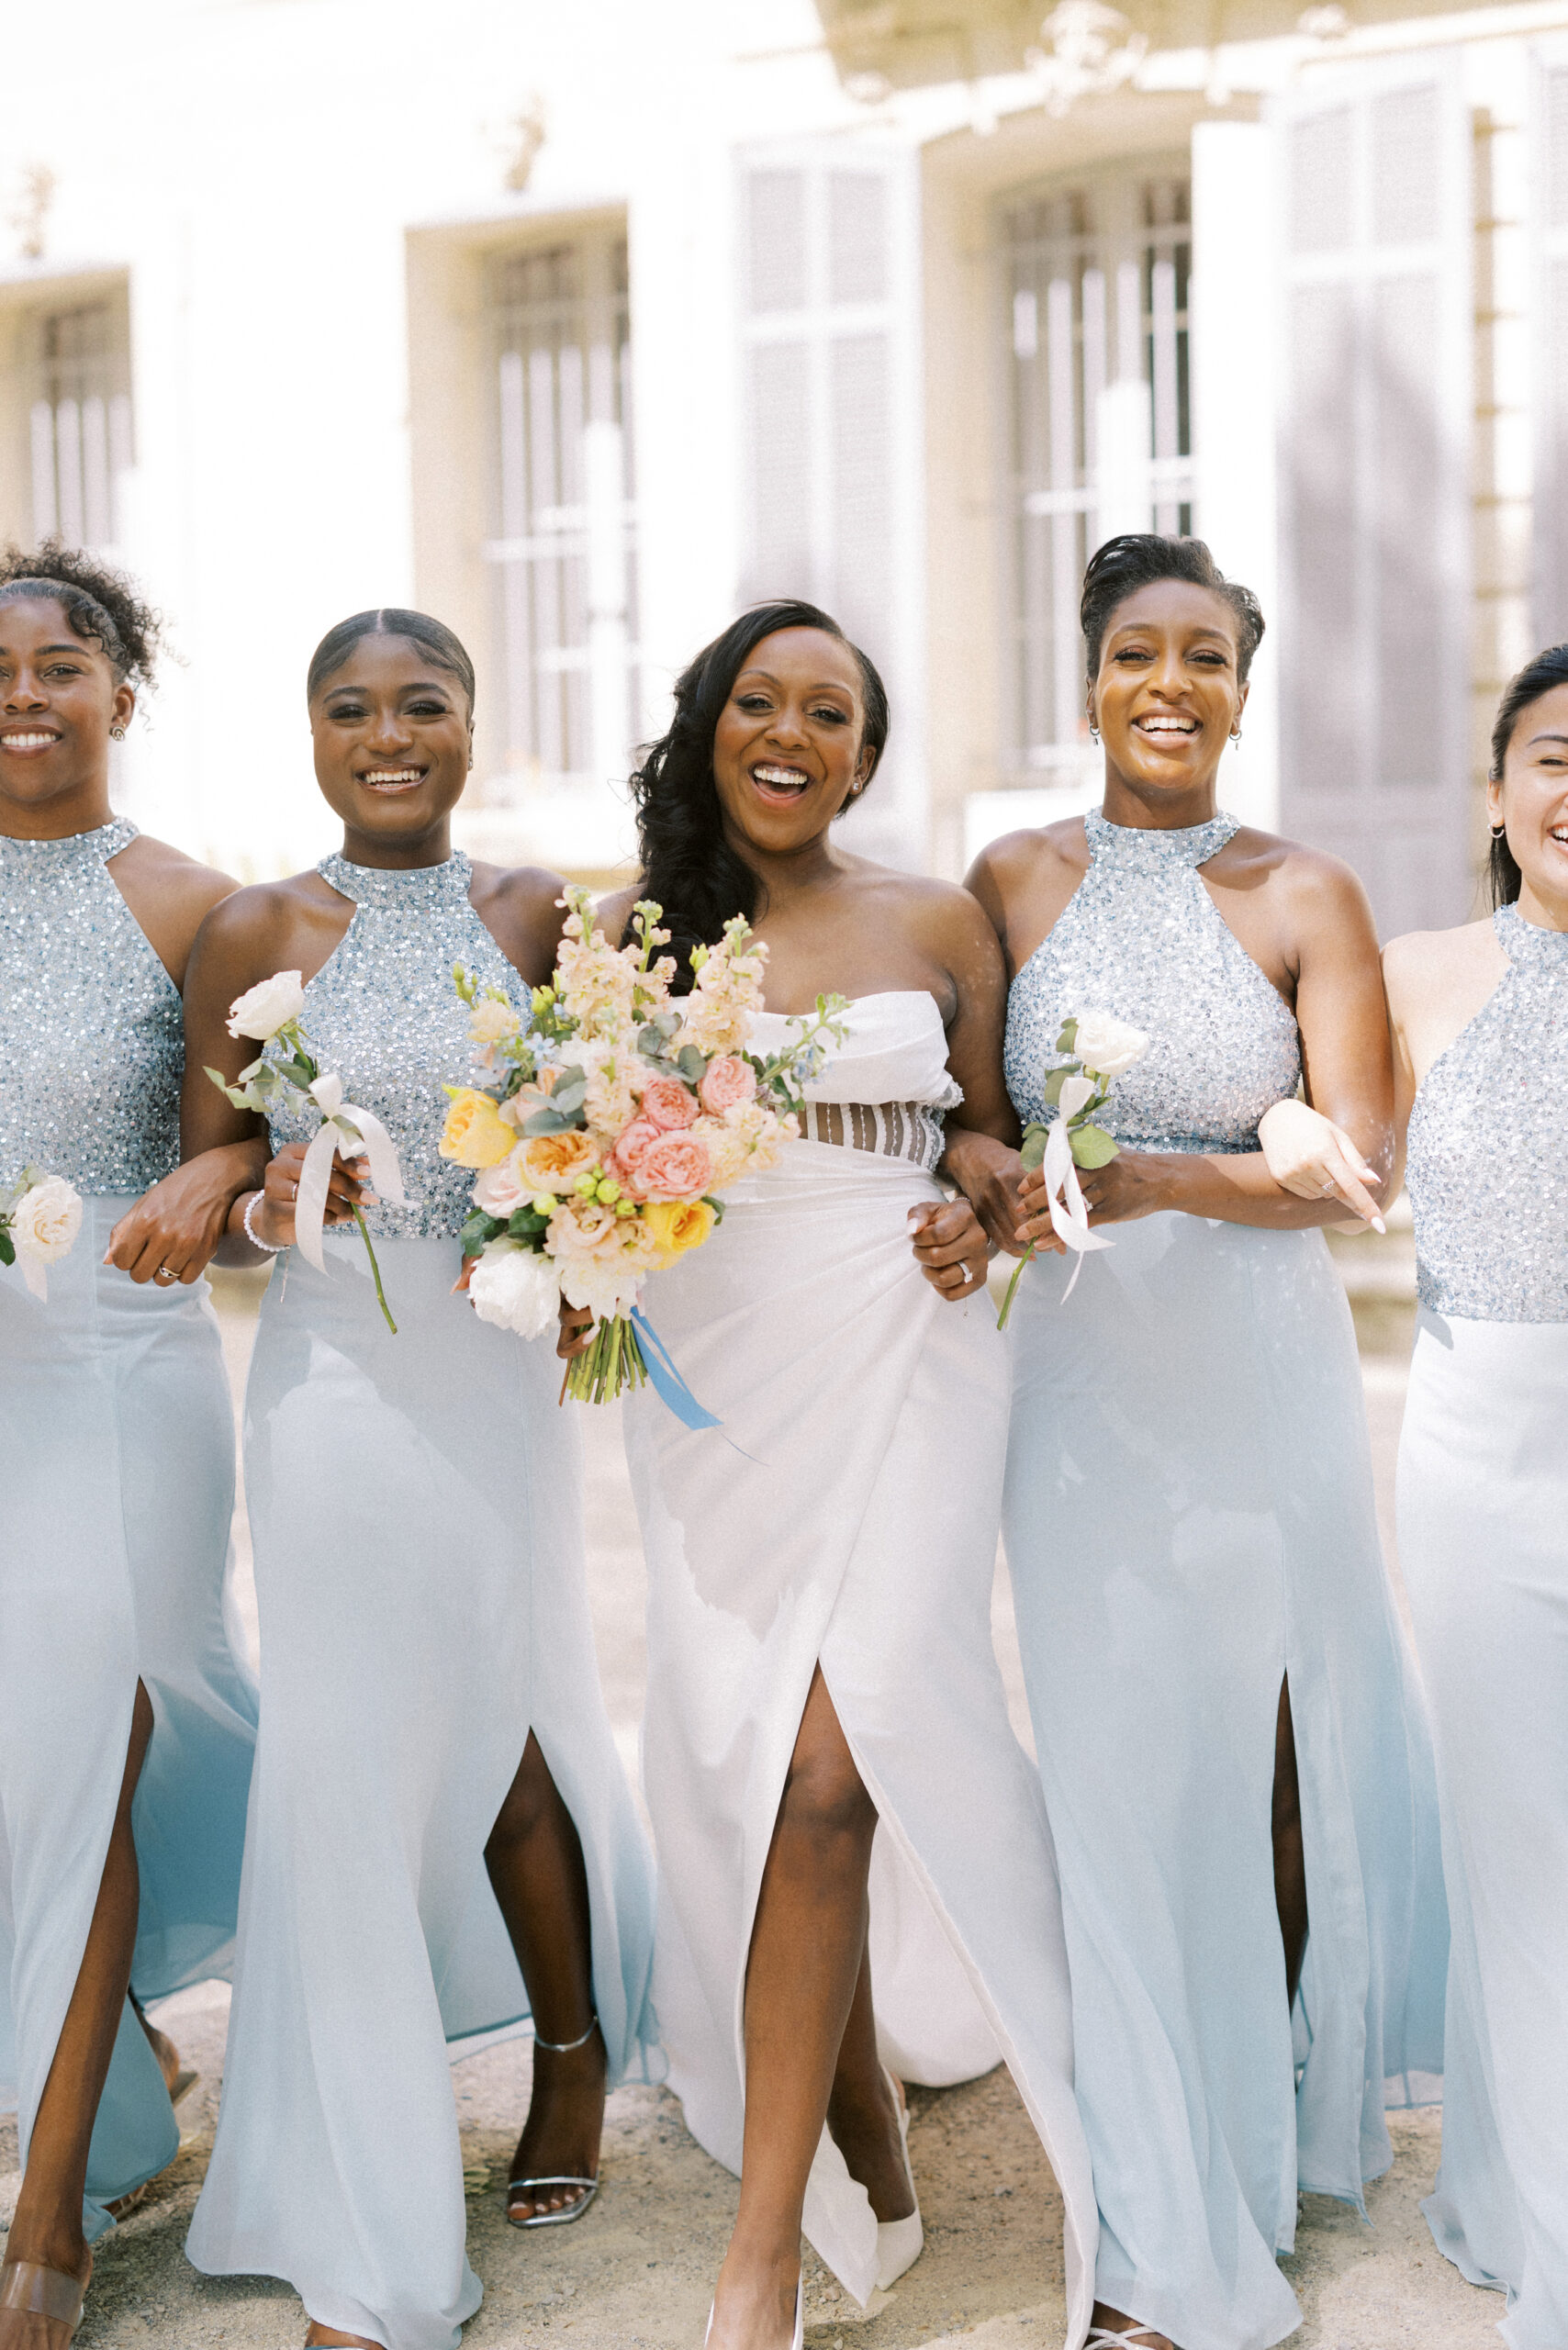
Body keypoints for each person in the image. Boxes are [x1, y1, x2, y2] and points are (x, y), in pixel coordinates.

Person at [572, 599, 1098, 2350]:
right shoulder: (627, 933)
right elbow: (570, 1144)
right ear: (710, 721)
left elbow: (990, 1125)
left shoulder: (934, 916)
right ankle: (858, 2123)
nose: (791, 733)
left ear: (866, 752)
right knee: (753, 1763)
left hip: (914, 1338)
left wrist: (977, 1182)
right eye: (760, 701)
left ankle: (758, 2255)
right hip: (719, 1377)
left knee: (834, 1768)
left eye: (833, 712)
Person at [960, 535, 1447, 2350]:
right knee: (1109, 1766)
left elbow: (1355, 1171)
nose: (1169, 682)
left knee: (1264, 1764)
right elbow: (968, 1121)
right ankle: (1160, 2214)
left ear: (1245, 685)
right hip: (1077, 1387)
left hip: (1255, 1382)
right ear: (1083, 675)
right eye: (1134, 653)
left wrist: (1160, 1173)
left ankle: (1267, 2130)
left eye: (1205, 657)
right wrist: (993, 1182)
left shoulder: (1304, 890)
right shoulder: (1007, 878)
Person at [179, 610, 658, 2350]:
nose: (391, 735)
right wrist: (282, 1188)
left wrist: (575, 1218)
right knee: (345, 1753)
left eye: (425, 706)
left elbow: (599, 1129)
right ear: (310, 733)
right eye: (353, 709)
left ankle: (571, 2049)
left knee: (513, 1717)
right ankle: (372, 2204)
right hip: (324, 1389)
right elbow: (210, 1202)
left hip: (491, 1371)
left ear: (473, 724)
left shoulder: (541, 914)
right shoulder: (253, 927)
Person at [0, 544, 258, 2348]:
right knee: (43, 1741)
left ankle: (53, 2162)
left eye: (60, 661)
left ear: (121, 690)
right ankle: (54, 2201)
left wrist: (216, 1171)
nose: (26, 691)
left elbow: (253, 1176)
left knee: (135, 1694)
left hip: (134, 1351)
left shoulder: (196, 905)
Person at [1364, 649, 1566, 2346]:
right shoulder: (1420, 972)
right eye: (1558, 756)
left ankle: (1517, 2185)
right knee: (1519, 1850)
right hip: (1486, 1452)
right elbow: (1328, 1145)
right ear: (1499, 793)